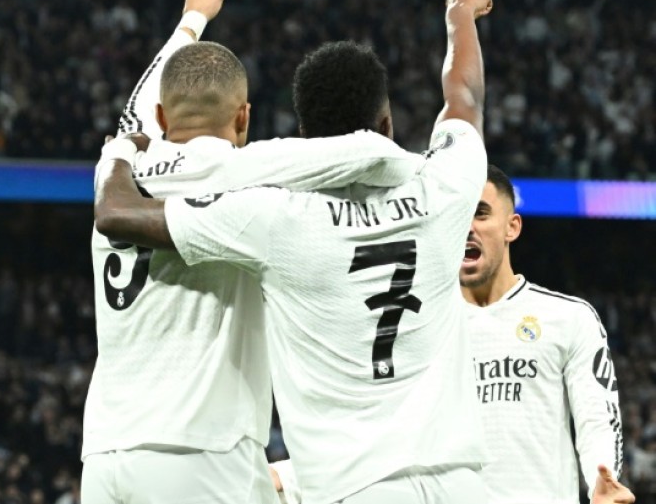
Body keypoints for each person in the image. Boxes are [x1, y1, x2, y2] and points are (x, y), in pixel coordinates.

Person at [93, 0, 495, 502]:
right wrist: (459, 14)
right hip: (456, 481)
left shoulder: (272, 215)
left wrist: (118, 151)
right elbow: (464, 99)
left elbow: (122, 196)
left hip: (343, 485)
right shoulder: (443, 184)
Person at [269, 166, 636, 504]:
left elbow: (597, 419)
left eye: (481, 213)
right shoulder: (413, 325)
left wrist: (601, 480)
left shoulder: (568, 318)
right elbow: (373, 432)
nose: (467, 226)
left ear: (512, 227)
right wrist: (289, 476)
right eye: (458, 215)